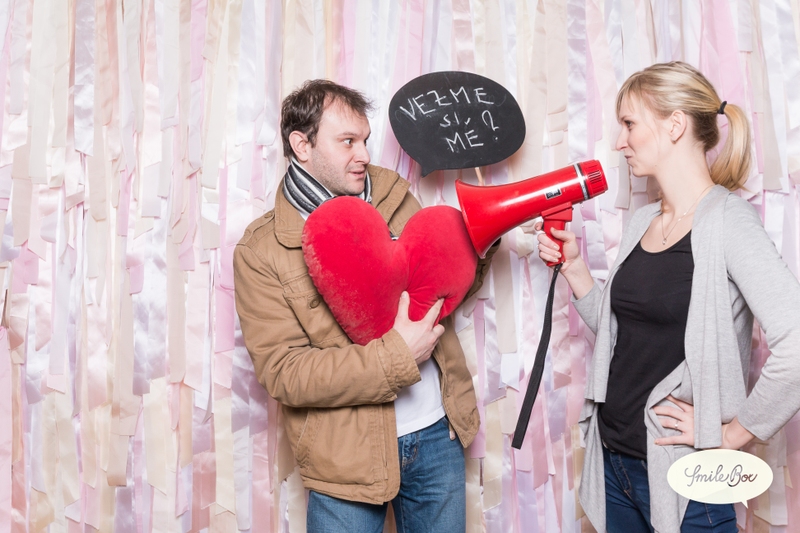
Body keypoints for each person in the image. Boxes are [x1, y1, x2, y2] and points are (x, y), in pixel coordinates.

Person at [536, 61, 800, 533]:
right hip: (614, 462)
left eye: (629, 123)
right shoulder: (643, 221)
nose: (620, 142)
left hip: (685, 477)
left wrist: (732, 433)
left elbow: (796, 344)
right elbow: (624, 335)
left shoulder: (730, 223)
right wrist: (575, 269)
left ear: (675, 124)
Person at [233, 79, 496, 533]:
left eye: (366, 140)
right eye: (347, 142)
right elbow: (284, 372)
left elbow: (442, 294)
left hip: (439, 434)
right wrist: (396, 357)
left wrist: (481, 243)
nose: (364, 155)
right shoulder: (262, 250)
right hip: (345, 462)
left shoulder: (393, 194)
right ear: (302, 146)